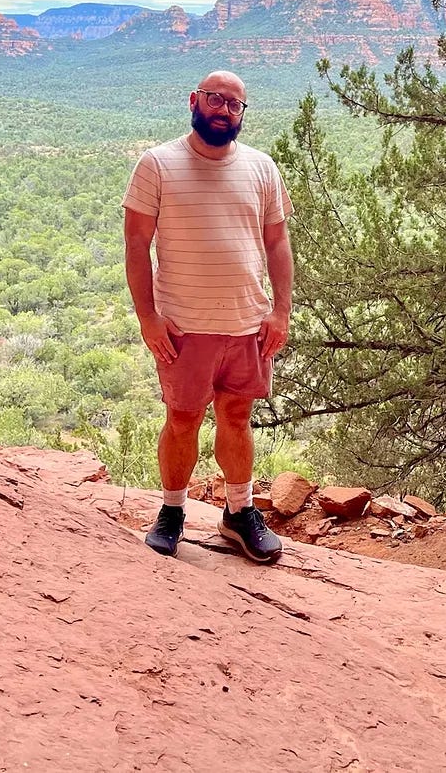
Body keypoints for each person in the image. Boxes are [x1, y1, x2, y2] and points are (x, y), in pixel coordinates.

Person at [122, 70, 293, 564]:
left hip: (247, 322)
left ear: (242, 114)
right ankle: (172, 512)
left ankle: (238, 514)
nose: (224, 109)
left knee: (237, 416)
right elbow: (137, 245)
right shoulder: (157, 164)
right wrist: (148, 318)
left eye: (235, 104)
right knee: (182, 418)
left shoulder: (262, 168)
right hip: (183, 324)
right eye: (215, 99)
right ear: (194, 100)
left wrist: (280, 310)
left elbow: (278, 242)